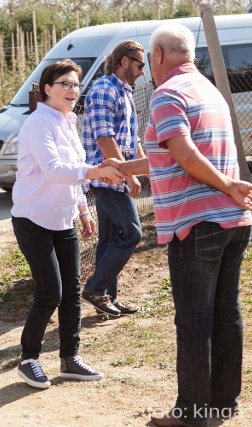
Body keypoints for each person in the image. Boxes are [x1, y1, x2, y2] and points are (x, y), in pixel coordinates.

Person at [102, 23, 252, 426]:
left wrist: (228, 183)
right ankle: (223, 401)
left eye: (148, 61)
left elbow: (184, 151)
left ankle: (193, 414)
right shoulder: (208, 90)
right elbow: (169, 154)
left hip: (197, 224)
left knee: (193, 321)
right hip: (232, 219)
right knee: (225, 313)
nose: (147, 70)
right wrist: (124, 167)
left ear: (158, 55)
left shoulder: (167, 94)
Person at [11, 59, 125, 390]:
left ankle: (69, 358)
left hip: (63, 221)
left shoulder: (67, 121)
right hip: (33, 220)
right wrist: (96, 171)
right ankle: (28, 359)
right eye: (65, 84)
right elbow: (55, 169)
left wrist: (83, 209)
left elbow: (73, 169)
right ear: (47, 89)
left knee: (72, 293)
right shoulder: (37, 125)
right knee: (50, 293)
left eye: (76, 85)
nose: (72, 90)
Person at [81, 41, 147, 317]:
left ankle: (106, 299)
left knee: (110, 239)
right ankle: (95, 289)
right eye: (140, 65)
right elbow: (104, 136)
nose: (143, 71)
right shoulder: (103, 90)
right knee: (132, 232)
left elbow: (133, 137)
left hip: (116, 174)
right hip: (106, 177)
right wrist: (127, 174)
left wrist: (138, 169)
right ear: (124, 61)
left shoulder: (124, 92)